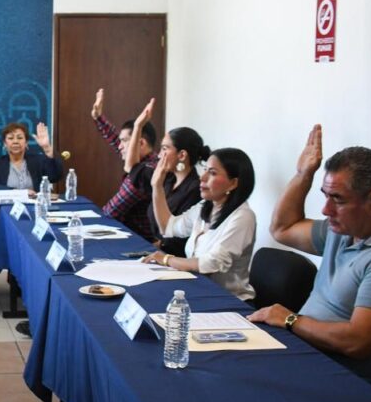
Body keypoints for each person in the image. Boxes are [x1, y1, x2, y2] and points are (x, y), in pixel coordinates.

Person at [248, 126, 371, 389]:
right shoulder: (343, 230)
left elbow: (357, 342)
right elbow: (282, 229)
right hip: (303, 355)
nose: (326, 210)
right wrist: (303, 175)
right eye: (325, 196)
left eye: (337, 199)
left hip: (339, 381)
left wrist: (290, 319)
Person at [144, 146, 257, 301]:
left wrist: (166, 259)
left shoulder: (243, 217)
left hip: (227, 300)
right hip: (197, 289)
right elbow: (168, 227)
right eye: (205, 170)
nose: (202, 177)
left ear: (233, 183)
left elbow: (211, 263)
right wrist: (157, 186)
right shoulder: (205, 206)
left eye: (212, 173)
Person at [91, 89, 160, 239]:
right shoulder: (146, 160)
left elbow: (111, 212)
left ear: (140, 143)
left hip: (141, 239)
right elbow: (114, 139)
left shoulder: (146, 172)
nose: (119, 146)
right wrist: (98, 117)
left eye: (124, 141)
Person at [146, 127, 207, 257]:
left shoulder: (196, 189)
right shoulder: (168, 180)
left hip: (174, 258)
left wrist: (159, 245)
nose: (159, 155)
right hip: (155, 251)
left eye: (165, 149)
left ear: (182, 155)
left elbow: (178, 239)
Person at [0, 122, 62, 195]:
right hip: (8, 203)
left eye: (20, 138)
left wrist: (47, 148)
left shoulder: (38, 160)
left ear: (26, 142)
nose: (15, 141)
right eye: (11, 138)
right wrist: (20, 193)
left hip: (34, 203)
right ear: (5, 143)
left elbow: (54, 177)